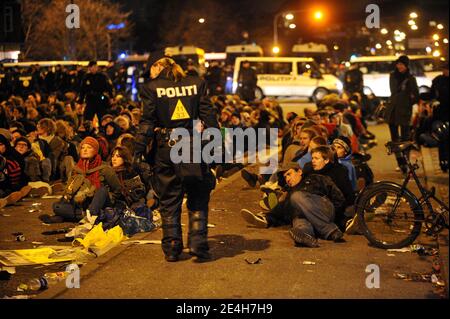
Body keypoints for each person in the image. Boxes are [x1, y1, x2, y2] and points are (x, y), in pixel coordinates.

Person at [135, 51, 219, 262]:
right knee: (198, 193)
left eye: (151, 69)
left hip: (166, 148)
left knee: (169, 198)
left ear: (158, 66)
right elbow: (209, 117)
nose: (150, 74)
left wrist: (137, 149)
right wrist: (215, 148)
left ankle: (172, 247)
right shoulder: (196, 83)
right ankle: (198, 242)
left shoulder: (151, 88)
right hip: (192, 146)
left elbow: (147, 122)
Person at [241, 162, 345, 247]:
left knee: (297, 197)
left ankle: (330, 231)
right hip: (308, 218)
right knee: (299, 220)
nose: (287, 179)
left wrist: (337, 217)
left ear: (299, 171)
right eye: (285, 177)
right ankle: (305, 236)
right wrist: (267, 218)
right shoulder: (290, 192)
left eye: (289, 174)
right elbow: (282, 211)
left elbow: (337, 196)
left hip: (323, 208)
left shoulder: (315, 178)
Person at [385, 55, 419, 173]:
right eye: (398, 64)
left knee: (405, 139)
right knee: (395, 139)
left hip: (404, 112)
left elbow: (416, 95)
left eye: (402, 64)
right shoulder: (392, 76)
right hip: (393, 111)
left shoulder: (410, 78)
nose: (399, 66)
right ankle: (401, 164)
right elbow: (393, 91)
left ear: (406, 65)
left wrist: (407, 103)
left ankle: (406, 162)